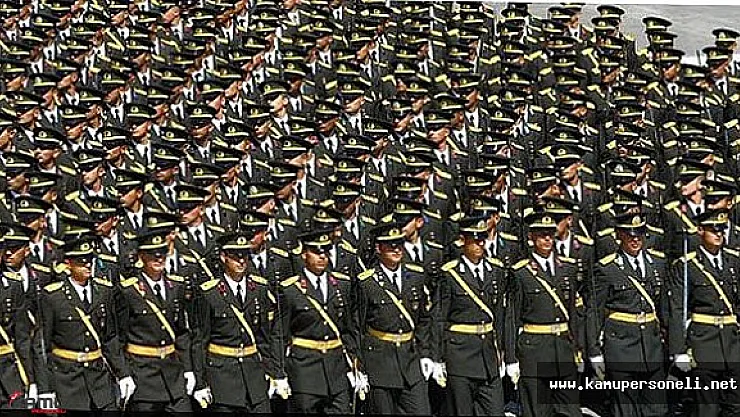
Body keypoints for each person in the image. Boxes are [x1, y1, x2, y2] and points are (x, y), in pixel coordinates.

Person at [36, 234, 130, 411]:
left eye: (90, 260)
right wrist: (45, 389)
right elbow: (42, 345)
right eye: (81, 261)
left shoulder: (104, 292)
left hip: (99, 379)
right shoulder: (53, 297)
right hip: (68, 381)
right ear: (68, 264)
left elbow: (110, 338)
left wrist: (123, 373)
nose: (87, 265)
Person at [270, 229, 359, 414]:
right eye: (316, 252)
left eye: (325, 252)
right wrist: (278, 373)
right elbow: (280, 334)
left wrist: (356, 365)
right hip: (305, 370)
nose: (322, 257)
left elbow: (349, 329)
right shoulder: (291, 290)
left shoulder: (341, 285)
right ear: (304, 254)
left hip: (336, 370)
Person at [588, 212, 668, 417]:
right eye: (629, 235)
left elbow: (664, 309)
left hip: (652, 348)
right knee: (626, 410)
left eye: (639, 234)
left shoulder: (658, 264)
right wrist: (594, 352)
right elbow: (594, 312)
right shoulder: (607, 268)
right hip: (621, 349)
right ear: (619, 235)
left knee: (656, 409)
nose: (635, 239)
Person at [505, 211, 582, 417]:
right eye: (541, 235)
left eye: (550, 234)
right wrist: (511, 358)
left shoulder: (568, 268)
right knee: (537, 411)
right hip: (535, 352)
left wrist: (578, 347)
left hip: (563, 350)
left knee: (570, 411)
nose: (547, 239)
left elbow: (573, 313)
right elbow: (512, 317)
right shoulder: (521, 273)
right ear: (531, 237)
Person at [191, 232, 275, 413]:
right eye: (236, 256)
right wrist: (200, 382)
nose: (241, 261)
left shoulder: (259, 289)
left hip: (254, 377)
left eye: (245, 255)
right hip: (223, 378)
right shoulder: (209, 293)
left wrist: (274, 372)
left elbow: (264, 338)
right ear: (223, 257)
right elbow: (200, 341)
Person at [357, 222, 432, 414]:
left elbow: (424, 319)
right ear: (378, 248)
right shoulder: (367, 282)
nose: (396, 250)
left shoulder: (416, 276)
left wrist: (425, 353)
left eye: (399, 244)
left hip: (410, 360)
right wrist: (360, 365)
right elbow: (359, 326)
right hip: (380, 362)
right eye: (390, 246)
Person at [670, 209, 740, 417]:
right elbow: (678, 308)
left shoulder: (734, 261)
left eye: (721, 230)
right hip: (704, 344)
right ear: (700, 230)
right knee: (707, 407)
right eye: (713, 230)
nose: (718, 234)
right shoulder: (687, 265)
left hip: (732, 344)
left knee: (735, 405)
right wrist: (679, 349)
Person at [116, 229, 193, 413]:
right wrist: (123, 373)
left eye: (163, 254)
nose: (159, 259)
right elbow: (118, 337)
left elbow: (181, 333)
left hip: (173, 374)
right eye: (153, 255)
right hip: (143, 375)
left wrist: (189, 369)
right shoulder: (128, 291)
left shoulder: (176, 287)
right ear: (142, 257)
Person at [438, 216, 508, 416]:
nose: (479, 244)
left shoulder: (495, 270)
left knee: (495, 410)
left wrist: (504, 352)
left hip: (488, 356)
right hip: (460, 355)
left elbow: (500, 315)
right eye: (474, 240)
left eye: (482, 239)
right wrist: (437, 357)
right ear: (463, 241)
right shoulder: (450, 274)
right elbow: (439, 317)